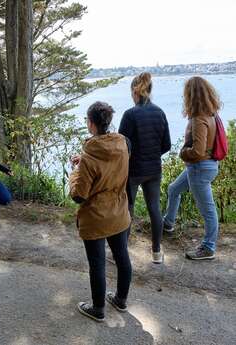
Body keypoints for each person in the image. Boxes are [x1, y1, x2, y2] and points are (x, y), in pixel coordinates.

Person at [70, 101, 132, 322]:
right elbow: (108, 166)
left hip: (96, 217)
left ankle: (97, 309)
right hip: (120, 211)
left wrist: (75, 172)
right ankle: (121, 300)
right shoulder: (123, 142)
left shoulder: (89, 155)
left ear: (91, 124)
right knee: (122, 257)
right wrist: (83, 161)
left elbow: (79, 195)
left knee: (97, 263)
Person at [163, 77, 220, 260]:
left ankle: (208, 248)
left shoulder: (199, 118)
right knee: (173, 189)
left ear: (191, 94)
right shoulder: (211, 114)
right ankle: (168, 223)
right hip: (204, 166)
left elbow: (197, 151)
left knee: (208, 211)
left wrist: (182, 153)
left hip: (199, 168)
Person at [118, 72, 171, 264]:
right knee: (154, 209)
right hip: (154, 170)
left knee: (127, 210)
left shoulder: (130, 114)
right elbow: (167, 145)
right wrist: (152, 155)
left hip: (133, 171)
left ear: (135, 91)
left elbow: (121, 145)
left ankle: (122, 254)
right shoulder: (160, 112)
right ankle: (156, 253)